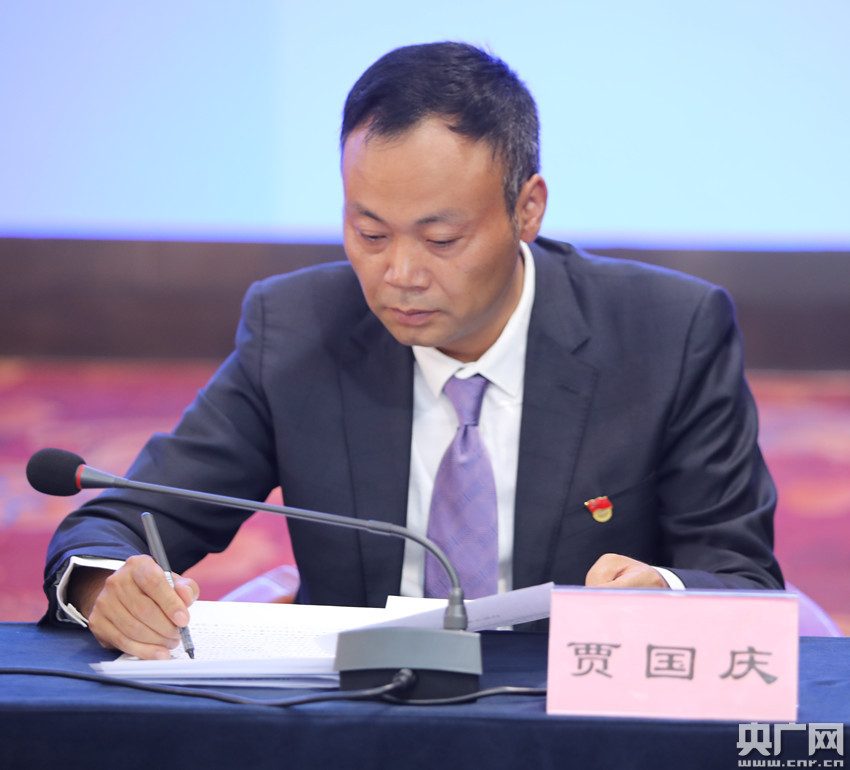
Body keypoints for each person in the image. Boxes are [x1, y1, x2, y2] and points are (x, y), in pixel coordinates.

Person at [43, 41, 783, 660]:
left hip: (571, 707)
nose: (399, 273)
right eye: (369, 233)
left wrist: (667, 594)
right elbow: (118, 522)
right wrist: (107, 588)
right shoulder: (298, 329)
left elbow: (741, 579)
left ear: (527, 208)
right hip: (362, 714)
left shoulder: (668, 333)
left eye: (441, 239)